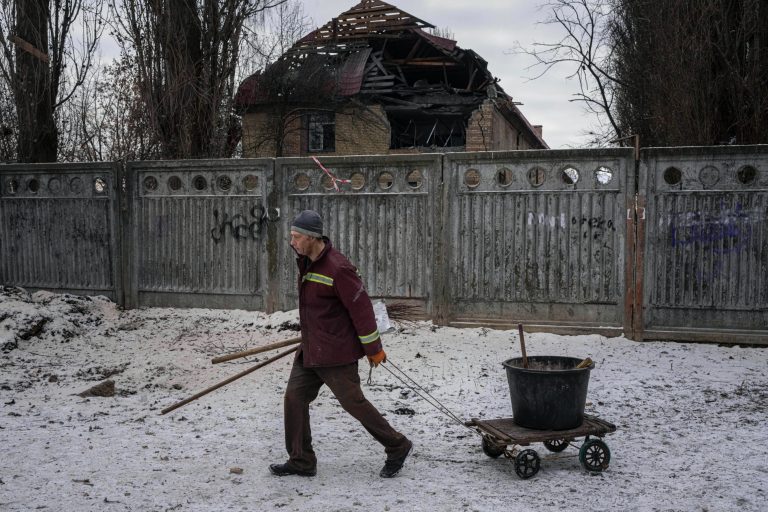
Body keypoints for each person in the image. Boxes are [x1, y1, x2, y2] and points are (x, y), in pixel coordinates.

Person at [269, 210, 413, 478]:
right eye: (291, 236)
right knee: (294, 398)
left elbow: (362, 312)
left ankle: (397, 445)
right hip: (312, 349)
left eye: (296, 237)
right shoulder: (307, 262)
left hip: (336, 353)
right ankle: (301, 460)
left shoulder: (339, 268)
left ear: (313, 238)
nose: (292, 242)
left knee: (353, 403)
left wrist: (374, 349)